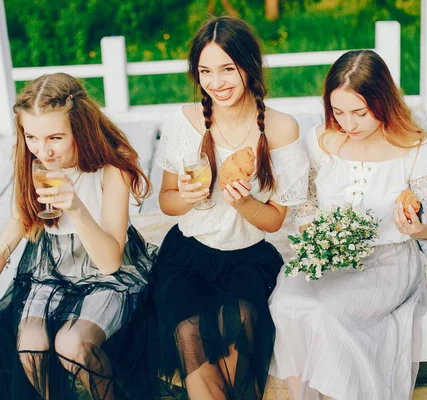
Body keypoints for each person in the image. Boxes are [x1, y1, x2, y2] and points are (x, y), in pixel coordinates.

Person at [268, 49, 427, 400]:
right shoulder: (321, 140)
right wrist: (317, 239)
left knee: (328, 313)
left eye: (359, 113)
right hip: (327, 256)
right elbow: (306, 202)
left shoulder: (413, 145)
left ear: (382, 103)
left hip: (388, 260)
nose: (348, 124)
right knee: (286, 303)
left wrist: (418, 228)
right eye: (338, 112)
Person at [143, 16, 309, 400]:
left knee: (239, 326)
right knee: (188, 331)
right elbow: (166, 202)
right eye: (205, 71)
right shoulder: (183, 122)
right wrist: (187, 196)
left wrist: (244, 202)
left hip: (247, 259)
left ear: (249, 66)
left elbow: (274, 222)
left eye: (227, 69)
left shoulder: (280, 129)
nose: (216, 83)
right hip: (186, 257)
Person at [0, 72, 156, 400]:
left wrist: (77, 207)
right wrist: (0, 253)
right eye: (32, 137)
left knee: (72, 345)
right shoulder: (34, 161)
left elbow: (110, 261)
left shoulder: (113, 168)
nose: (43, 151)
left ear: (80, 128)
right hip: (51, 268)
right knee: (30, 345)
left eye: (55, 138)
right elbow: (21, 215)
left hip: (108, 273)